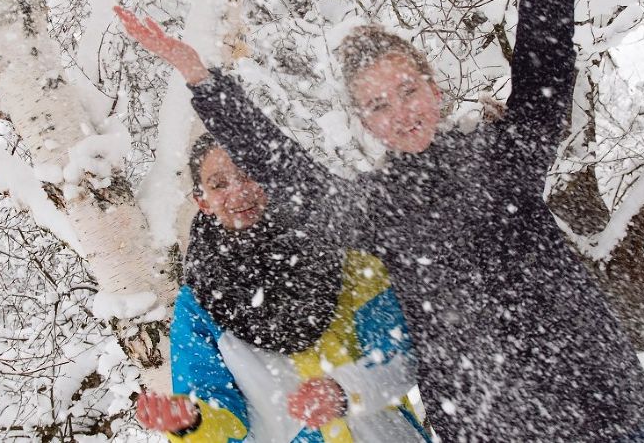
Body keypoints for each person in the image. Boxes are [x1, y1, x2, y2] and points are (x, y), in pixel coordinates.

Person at [118, 0, 644, 440]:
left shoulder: (508, 153)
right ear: (364, 123)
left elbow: (547, 50)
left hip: (593, 400)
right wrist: (202, 78)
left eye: (407, 90)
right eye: (378, 105)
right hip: (490, 425)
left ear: (433, 87)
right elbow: (285, 170)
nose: (401, 113)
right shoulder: (375, 206)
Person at [135, 133, 431, 443]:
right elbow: (218, 412)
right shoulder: (197, 305)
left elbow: (399, 358)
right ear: (202, 201)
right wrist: (192, 422)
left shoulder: (345, 256)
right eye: (219, 184)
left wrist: (344, 391)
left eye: (247, 174)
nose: (238, 192)